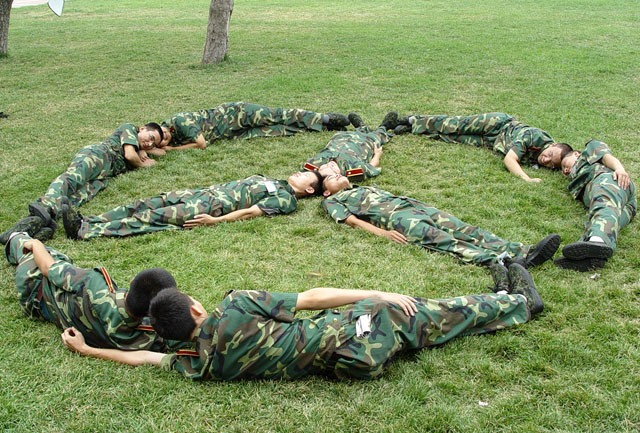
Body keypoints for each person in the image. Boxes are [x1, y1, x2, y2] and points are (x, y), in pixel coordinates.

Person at [60, 262, 541, 381]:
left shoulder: (196, 362)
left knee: (425, 317)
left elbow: (145, 358)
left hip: (345, 361)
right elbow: (311, 298)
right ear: (196, 310)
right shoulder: (237, 305)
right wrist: (376, 293)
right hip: (356, 340)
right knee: (418, 310)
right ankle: (516, 302)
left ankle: (497, 297)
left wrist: (88, 350)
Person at [320, 176, 560, 268]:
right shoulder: (332, 201)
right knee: (448, 242)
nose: (336, 175)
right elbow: (352, 221)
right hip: (401, 221)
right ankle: (502, 260)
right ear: (326, 191)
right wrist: (384, 234)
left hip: (416, 207)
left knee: (467, 230)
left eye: (337, 173)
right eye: (330, 178)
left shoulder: (360, 186)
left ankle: (523, 250)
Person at [3, 232, 184, 351]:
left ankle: (15, 236)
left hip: (34, 287)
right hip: (40, 310)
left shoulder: (95, 284)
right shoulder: (148, 340)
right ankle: (39, 228)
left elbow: (46, 268)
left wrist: (35, 243)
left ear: (131, 282)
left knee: (45, 253)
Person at [0, 123, 164, 244]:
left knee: (75, 199)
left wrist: (145, 149)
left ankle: (32, 226)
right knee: (71, 179)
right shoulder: (129, 129)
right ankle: (45, 206)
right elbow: (129, 155)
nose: (150, 143)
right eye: (150, 138)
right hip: (99, 156)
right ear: (142, 128)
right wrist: (145, 163)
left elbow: (162, 151)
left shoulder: (140, 147)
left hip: (105, 175)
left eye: (153, 143)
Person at [60, 171, 325, 240]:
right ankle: (90, 219)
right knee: (144, 204)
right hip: (201, 193)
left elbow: (250, 212)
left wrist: (215, 221)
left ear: (310, 190)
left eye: (305, 176)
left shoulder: (286, 199)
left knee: (153, 217)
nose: (299, 173)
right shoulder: (276, 182)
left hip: (211, 207)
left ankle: (86, 231)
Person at [394, 112, 573, 183]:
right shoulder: (535, 136)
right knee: (455, 125)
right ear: (552, 145)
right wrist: (527, 179)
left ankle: (411, 130)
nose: (545, 159)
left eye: (550, 163)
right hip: (497, 125)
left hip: (495, 143)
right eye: (549, 154)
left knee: (456, 139)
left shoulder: (555, 159)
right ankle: (410, 120)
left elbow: (569, 167)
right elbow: (510, 159)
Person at [555, 140, 636, 271]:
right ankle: (592, 257)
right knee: (605, 220)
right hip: (628, 204)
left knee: (604, 206)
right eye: (563, 170)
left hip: (610, 180)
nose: (565, 170)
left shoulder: (588, 152)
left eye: (565, 164)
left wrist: (620, 169)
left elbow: (606, 156)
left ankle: (597, 241)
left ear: (576, 154)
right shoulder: (577, 176)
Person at [158, 102, 350, 151]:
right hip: (231, 134)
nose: (164, 137)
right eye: (158, 142)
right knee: (277, 130)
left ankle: (325, 119)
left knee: (279, 115)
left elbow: (201, 144)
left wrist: (172, 149)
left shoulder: (179, 121)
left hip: (236, 114)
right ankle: (324, 128)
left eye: (162, 134)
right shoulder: (160, 139)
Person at [302, 112, 397, 182]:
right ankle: (385, 126)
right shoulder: (352, 170)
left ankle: (361, 126)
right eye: (333, 169)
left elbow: (307, 170)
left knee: (359, 131)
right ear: (338, 176)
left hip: (344, 136)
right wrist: (377, 155)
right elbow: (372, 167)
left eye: (325, 166)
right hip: (366, 142)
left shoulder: (316, 163)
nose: (330, 164)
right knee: (378, 134)